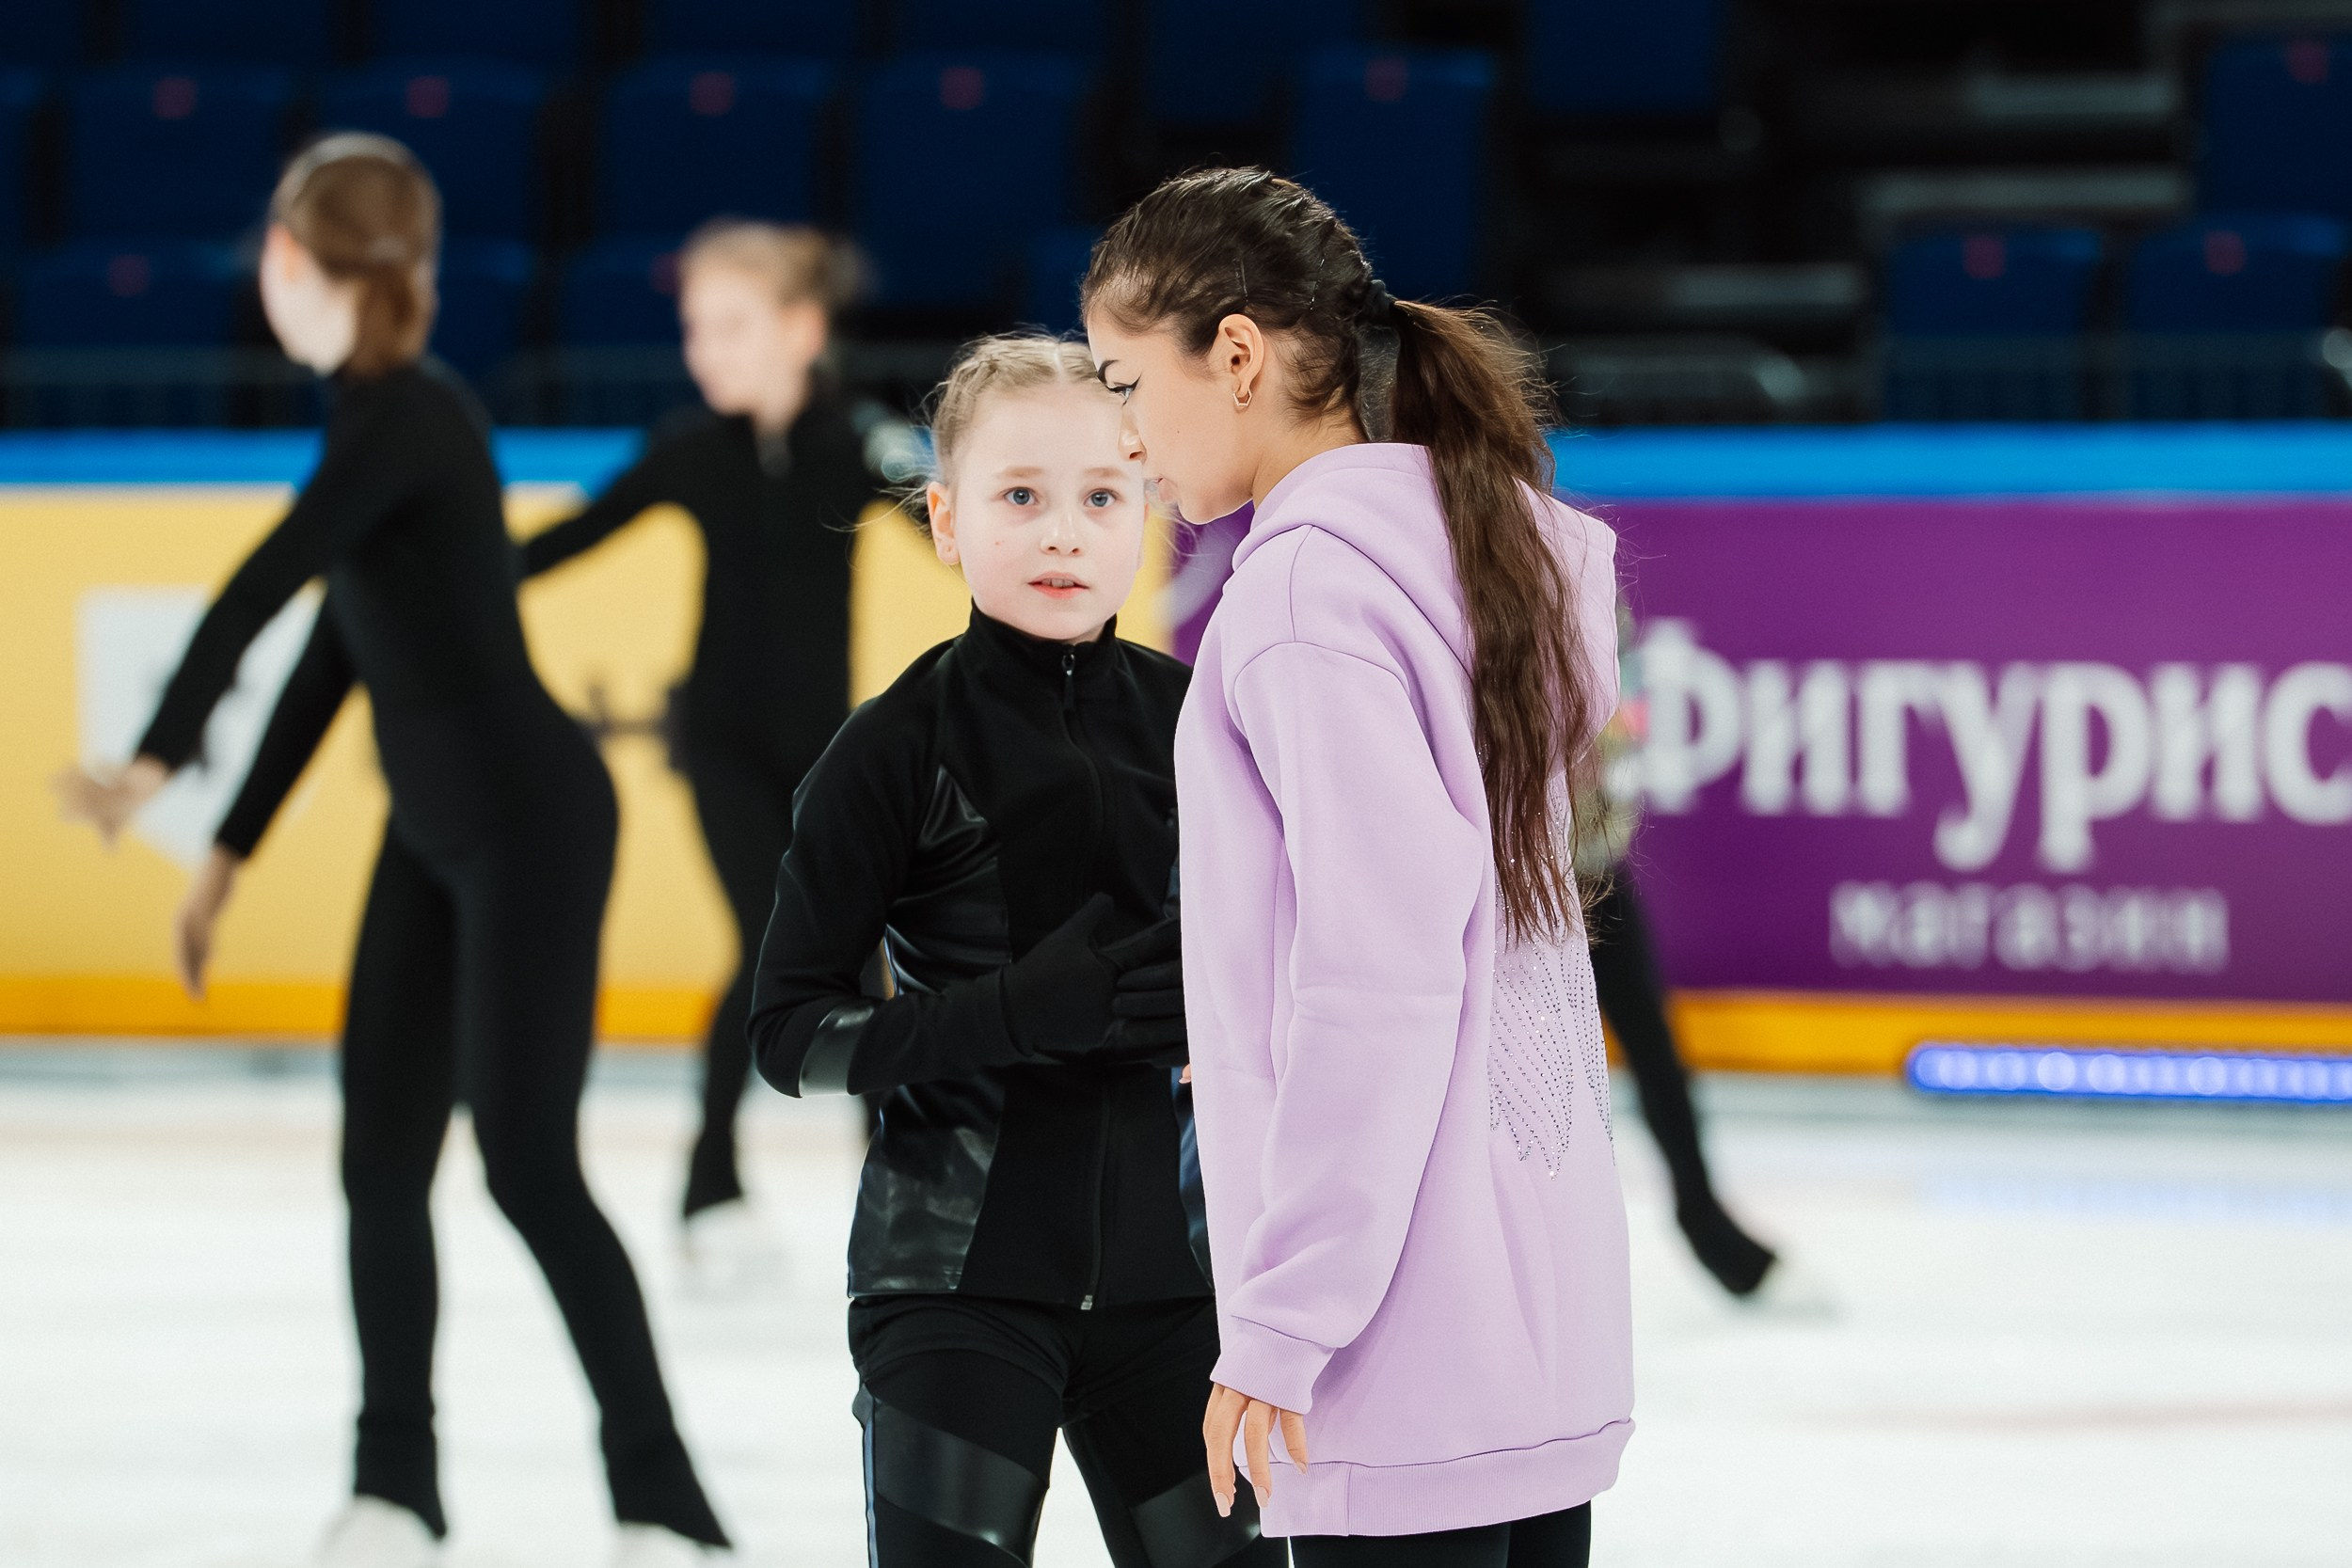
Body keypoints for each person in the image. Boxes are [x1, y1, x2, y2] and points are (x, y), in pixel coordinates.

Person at [52, 135, 728, 1568]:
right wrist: (226, 849)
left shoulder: (413, 418)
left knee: (528, 1164)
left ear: (296, 266)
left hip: (533, 826)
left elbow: (265, 582)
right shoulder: (378, 428)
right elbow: (333, 654)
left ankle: (667, 1501)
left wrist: (155, 760)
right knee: (379, 1164)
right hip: (435, 835)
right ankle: (398, 1485)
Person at [1084, 168, 1634, 1565]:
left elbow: (1376, 981)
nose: (1126, 439)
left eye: (1127, 384)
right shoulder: (1474, 547)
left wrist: (1281, 1321)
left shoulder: (1300, 594)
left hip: (1395, 1347)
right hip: (1534, 1332)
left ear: (1240, 356)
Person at [745, 335, 1284, 1568]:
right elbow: (787, 1033)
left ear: (1150, 506)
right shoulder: (887, 749)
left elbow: (1297, 966)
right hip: (953, 1292)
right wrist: (1014, 1010)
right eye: (1019, 496)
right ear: (946, 517)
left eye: (1100, 496)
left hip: (1179, 1293)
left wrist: (1228, 1014)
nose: (1062, 533)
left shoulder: (1208, 722)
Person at [515, 221, 915, 1274]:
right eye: (695, 328)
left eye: (729, 326)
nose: (705, 349)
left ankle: (889, 1180)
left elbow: (961, 527)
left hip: (830, 758)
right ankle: (711, 1175)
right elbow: (567, 538)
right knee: (773, 947)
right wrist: (452, 569)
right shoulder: (690, 448)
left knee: (856, 965)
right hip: (725, 751)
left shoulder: (861, 441)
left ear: (801, 328)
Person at [1579, 603, 1780, 1299]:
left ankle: (1704, 1218)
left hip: (1592, 867)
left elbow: (1618, 736)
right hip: (1529, 878)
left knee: (1656, 1051)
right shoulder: (1516, 590)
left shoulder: (1594, 592)